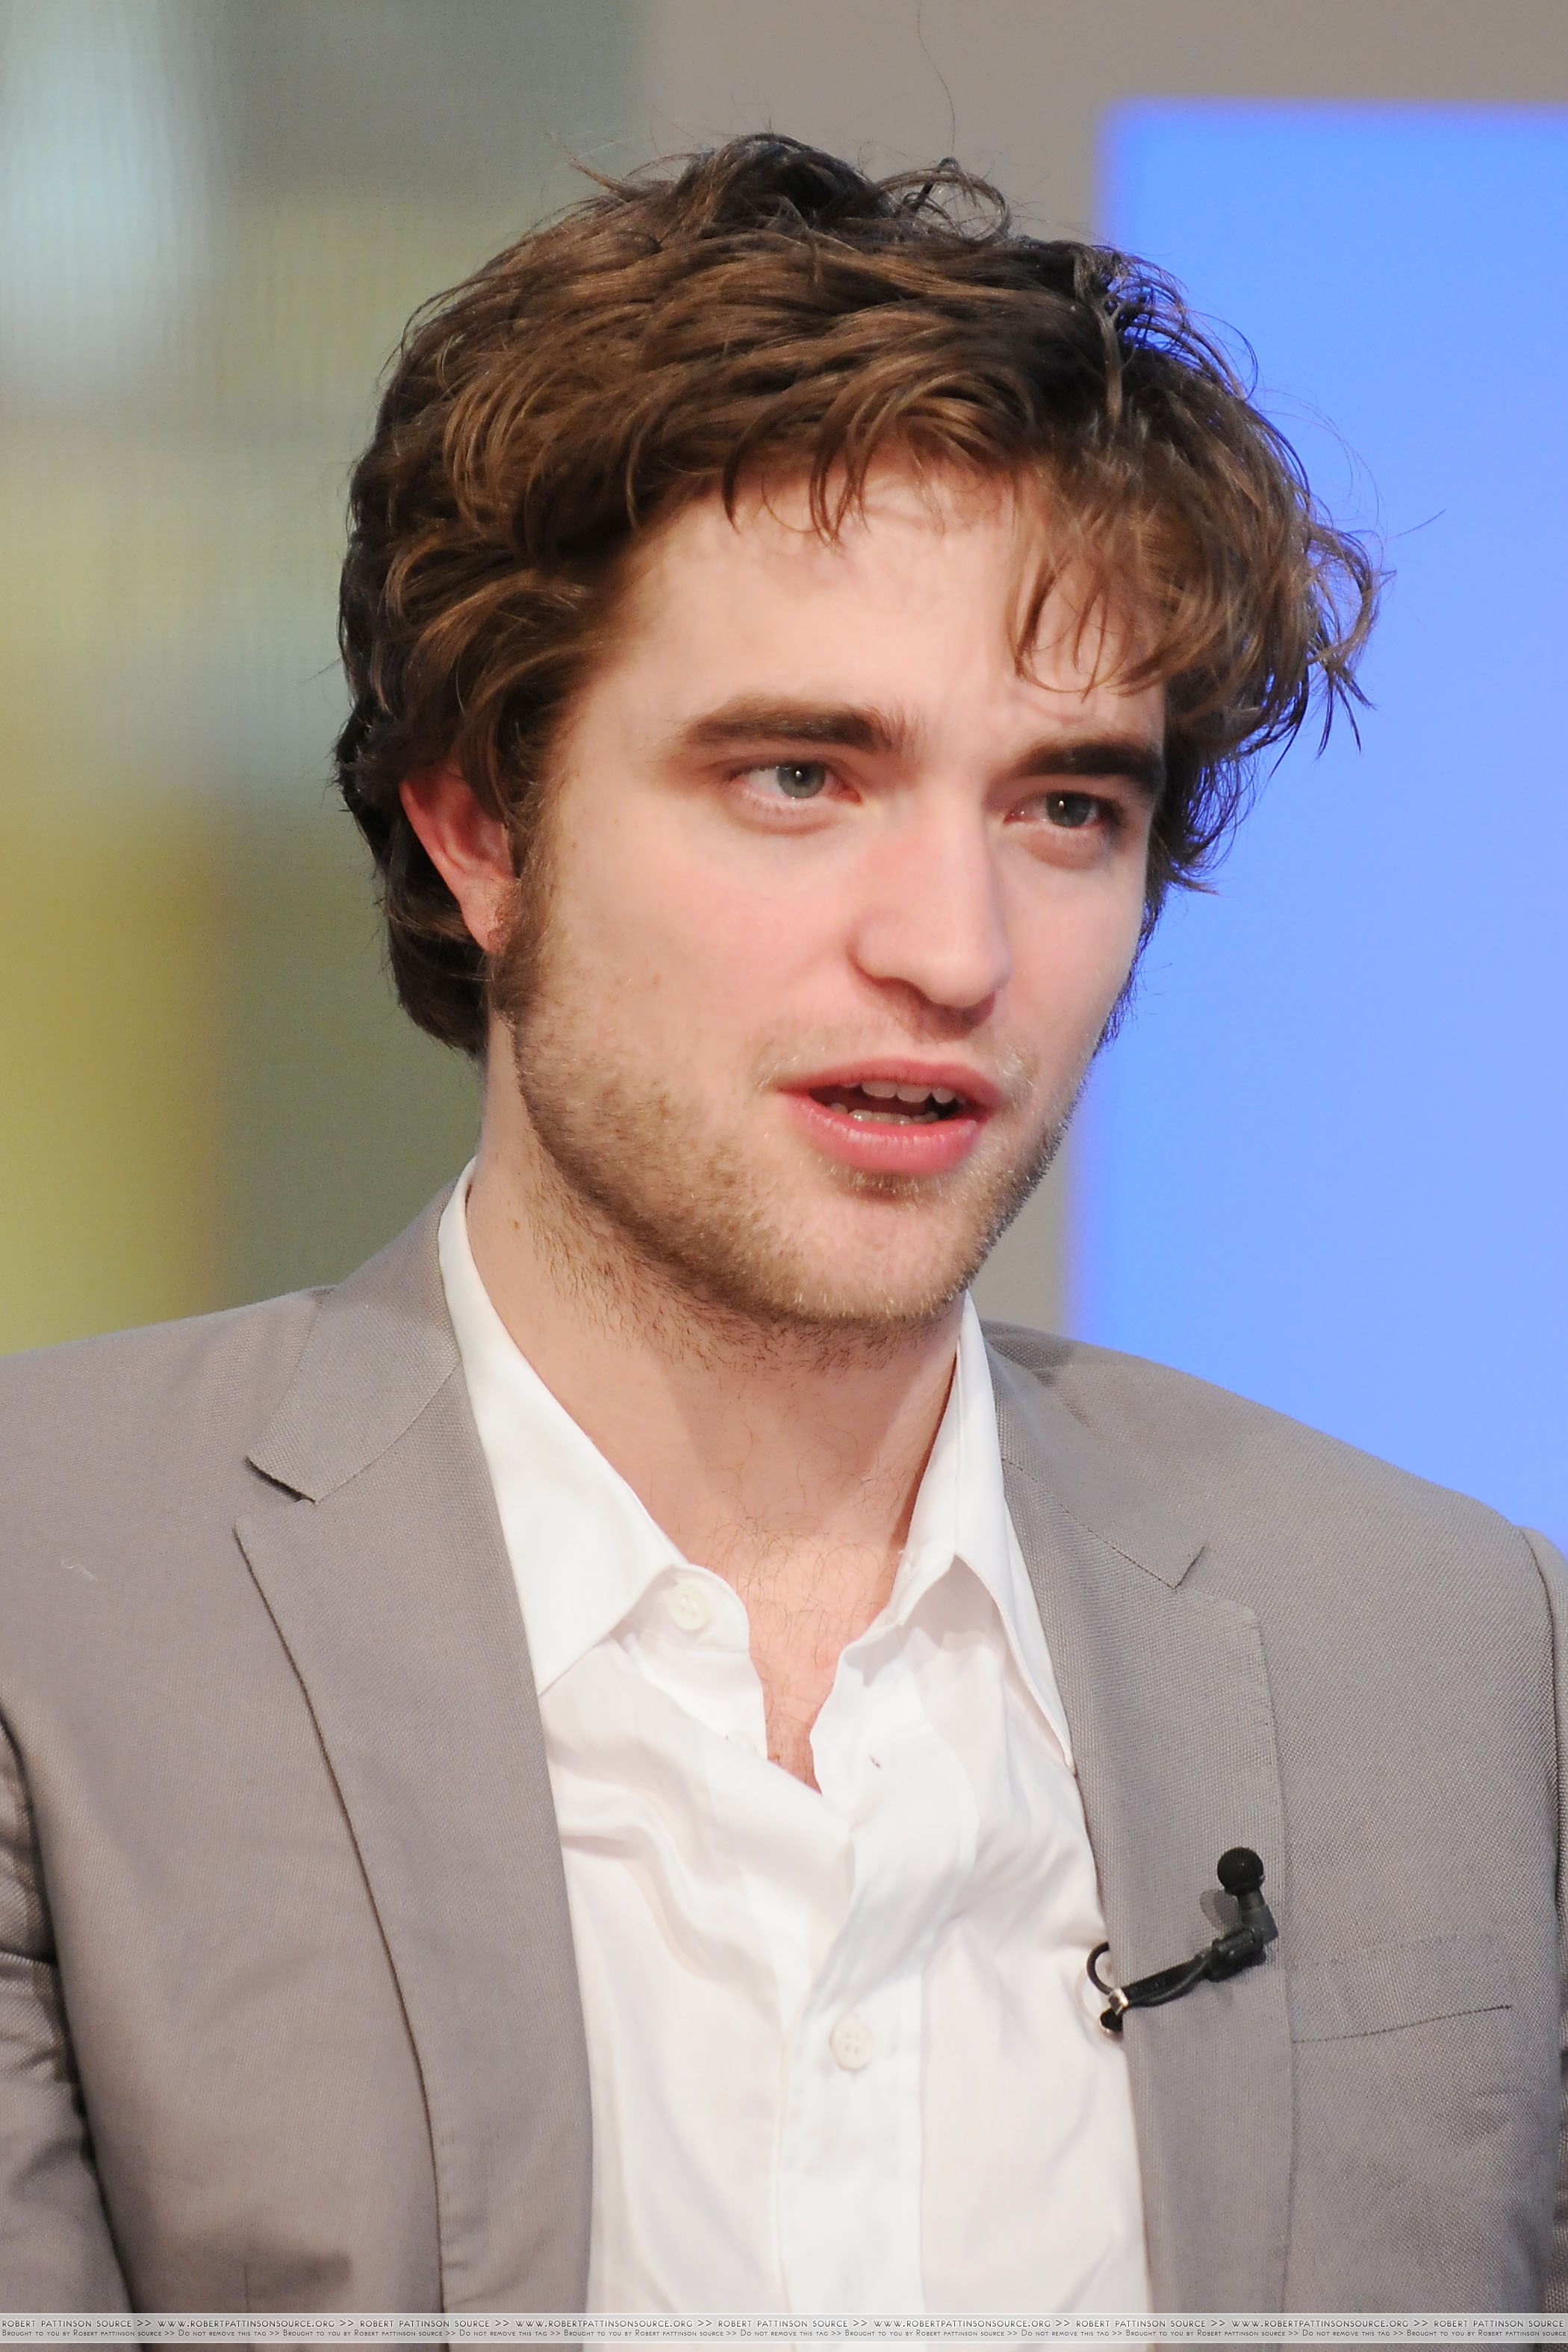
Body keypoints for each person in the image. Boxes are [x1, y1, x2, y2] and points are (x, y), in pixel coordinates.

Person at [1, 135, 1562, 2321]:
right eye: (800, 777)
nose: (954, 949)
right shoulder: (51, 1603)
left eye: (1066, 805)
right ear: (480, 828)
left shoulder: (1456, 1651)